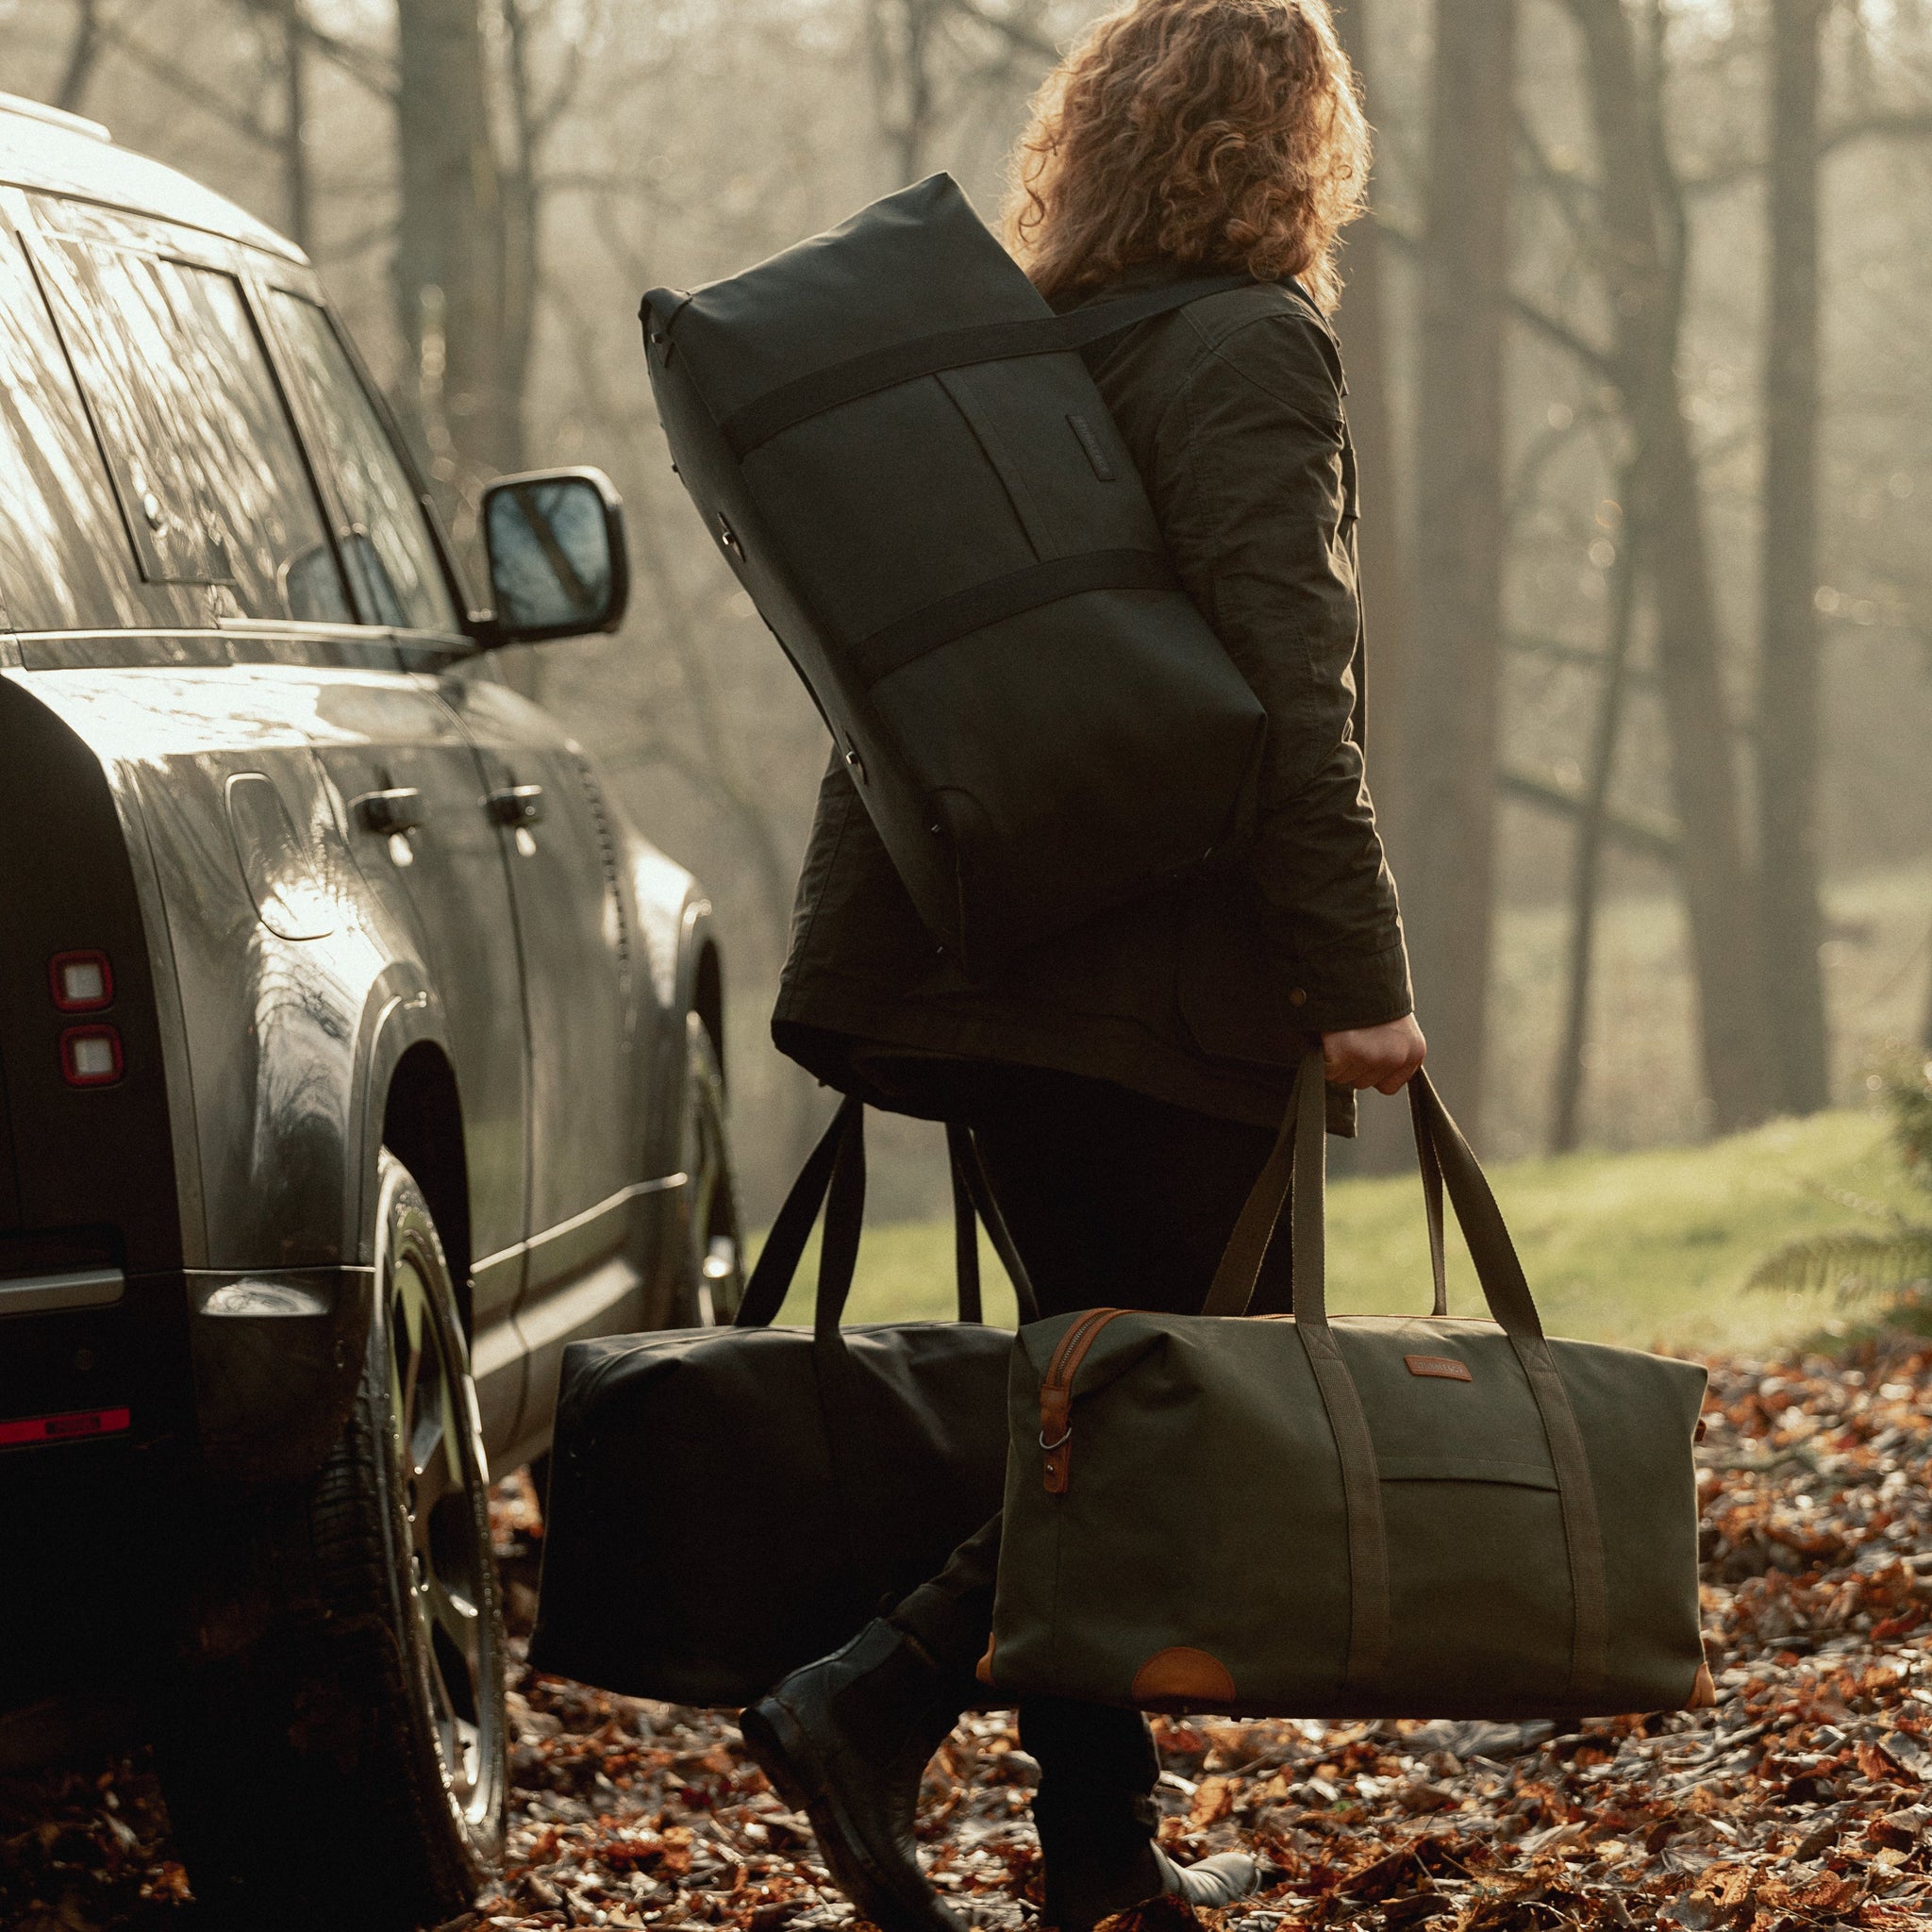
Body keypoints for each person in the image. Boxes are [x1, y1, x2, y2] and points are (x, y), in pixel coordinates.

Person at [739, 0, 1426, 1925]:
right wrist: (1357, 970)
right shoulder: (1248, 349)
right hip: (1155, 991)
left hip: (992, 957)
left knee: (1088, 1391)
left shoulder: (1034, 351)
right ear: (1292, 145)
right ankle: (866, 1703)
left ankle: (1096, 1860)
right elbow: (1293, 692)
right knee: (1171, 1409)